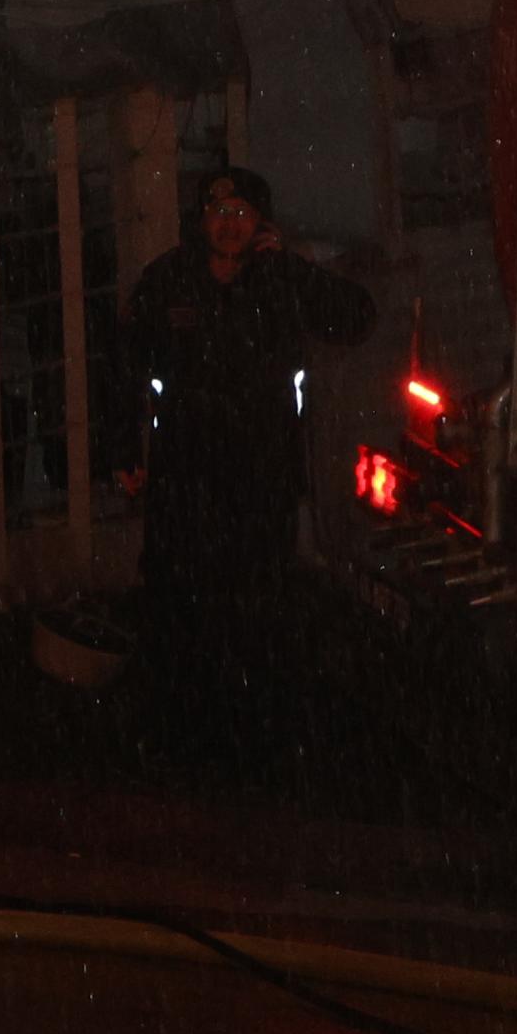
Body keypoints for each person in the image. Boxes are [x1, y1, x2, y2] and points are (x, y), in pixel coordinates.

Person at [108, 167, 375, 748]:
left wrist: (291, 267)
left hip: (261, 475)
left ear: (261, 223)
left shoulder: (280, 280)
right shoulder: (169, 280)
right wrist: (126, 450)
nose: (228, 227)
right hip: (185, 473)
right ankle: (176, 723)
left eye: (241, 215)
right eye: (218, 213)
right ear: (200, 218)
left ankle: (255, 726)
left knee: (257, 601)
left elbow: (356, 318)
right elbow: (125, 367)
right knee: (178, 596)